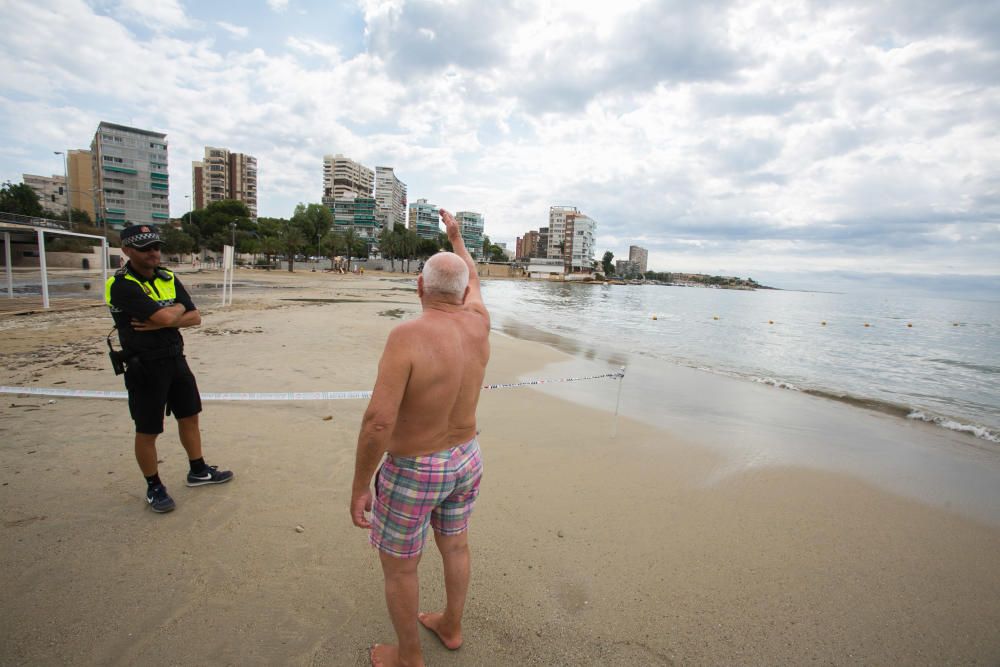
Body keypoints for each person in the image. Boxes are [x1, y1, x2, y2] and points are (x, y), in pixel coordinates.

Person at [351, 209, 490, 667]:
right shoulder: (479, 323)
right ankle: (451, 624)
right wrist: (458, 241)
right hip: (466, 456)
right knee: (456, 544)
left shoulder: (407, 335)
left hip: (416, 468)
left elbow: (377, 421)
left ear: (419, 287)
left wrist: (359, 487)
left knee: (401, 564)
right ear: (464, 291)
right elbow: (472, 281)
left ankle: (408, 656)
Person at [106, 225, 233, 514]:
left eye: (156, 246)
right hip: (144, 365)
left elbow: (195, 317)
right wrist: (173, 313)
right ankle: (154, 486)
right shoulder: (122, 285)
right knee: (148, 429)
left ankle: (198, 470)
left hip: (176, 359)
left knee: (189, 416)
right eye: (145, 248)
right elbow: (171, 313)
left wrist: (166, 319)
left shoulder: (167, 277)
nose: (153, 252)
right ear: (126, 250)